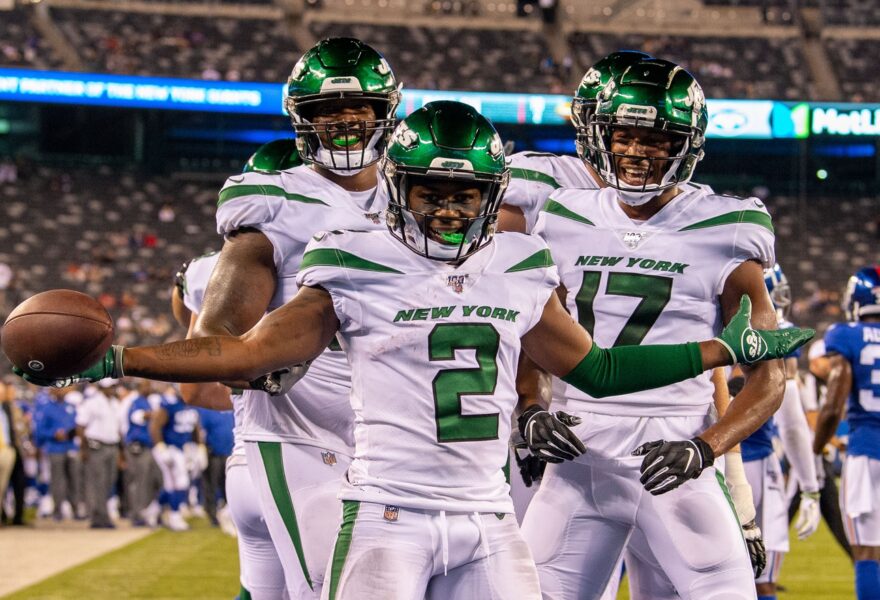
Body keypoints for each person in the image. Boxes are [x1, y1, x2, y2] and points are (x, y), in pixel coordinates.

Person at [18, 101, 811, 600]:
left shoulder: (519, 265)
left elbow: (600, 370)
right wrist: (116, 361)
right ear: (399, 188)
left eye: (467, 193)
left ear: (494, 197)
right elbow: (242, 355)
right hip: (387, 516)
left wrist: (719, 347)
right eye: (432, 191)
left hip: (490, 520)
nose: (449, 210)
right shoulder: (352, 261)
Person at [517, 58, 792, 599]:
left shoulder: (728, 227)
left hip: (675, 450)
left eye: (655, 139)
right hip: (579, 451)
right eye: (624, 136)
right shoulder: (562, 215)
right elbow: (538, 338)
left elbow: (769, 377)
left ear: (685, 145)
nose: (636, 151)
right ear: (601, 136)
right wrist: (530, 407)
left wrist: (707, 448)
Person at [192, 36, 400, 599]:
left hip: (400, 441)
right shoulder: (274, 200)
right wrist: (262, 365)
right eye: (327, 108)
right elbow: (215, 338)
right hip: (305, 437)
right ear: (302, 118)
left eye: (359, 107)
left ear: (386, 111)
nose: (345, 120)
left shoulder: (416, 199)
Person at [174, 247, 287, 599]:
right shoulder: (336, 254)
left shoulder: (209, 269)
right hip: (310, 462)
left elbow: (193, 390)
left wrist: (255, 391)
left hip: (244, 460)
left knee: (256, 590)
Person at [738, 264, 821, 599]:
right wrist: (810, 487)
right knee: (761, 579)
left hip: (706, 461)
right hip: (755, 463)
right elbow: (792, 423)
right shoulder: (776, 334)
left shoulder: (704, 326)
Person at [813, 266, 880, 600]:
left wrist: (815, 449)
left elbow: (832, 405)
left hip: (866, 451)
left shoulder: (846, 334)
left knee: (867, 552)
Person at [149, 384, 199, 531]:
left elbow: (196, 429)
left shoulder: (191, 407)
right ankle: (175, 516)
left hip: (183, 449)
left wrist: (199, 447)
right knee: (181, 483)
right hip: (170, 449)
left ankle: (153, 509)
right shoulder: (170, 406)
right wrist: (160, 447)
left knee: (171, 486)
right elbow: (154, 427)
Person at [75, 383, 123, 528]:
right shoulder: (91, 403)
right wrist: (83, 449)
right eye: (110, 387)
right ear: (102, 387)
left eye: (114, 387)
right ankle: (99, 517)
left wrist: (121, 452)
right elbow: (80, 426)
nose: (113, 389)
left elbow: (118, 428)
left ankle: (101, 515)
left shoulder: (115, 403)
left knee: (109, 481)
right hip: (96, 446)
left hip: (112, 446)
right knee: (97, 482)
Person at [34, 386, 81, 520]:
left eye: (63, 388)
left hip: (71, 447)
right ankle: (57, 510)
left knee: (74, 479)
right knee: (57, 481)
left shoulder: (70, 406)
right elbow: (40, 430)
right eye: (58, 388)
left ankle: (76, 509)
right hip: (55, 448)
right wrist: (53, 434)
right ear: (52, 390)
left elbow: (78, 424)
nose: (61, 391)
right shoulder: (47, 408)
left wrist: (74, 432)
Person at [122, 380, 162, 526]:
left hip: (149, 447)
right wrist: (154, 415)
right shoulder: (135, 401)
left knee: (153, 480)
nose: (149, 388)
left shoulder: (147, 401)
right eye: (146, 386)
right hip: (137, 447)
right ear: (139, 387)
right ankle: (137, 514)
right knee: (139, 481)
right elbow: (137, 417)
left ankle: (149, 511)